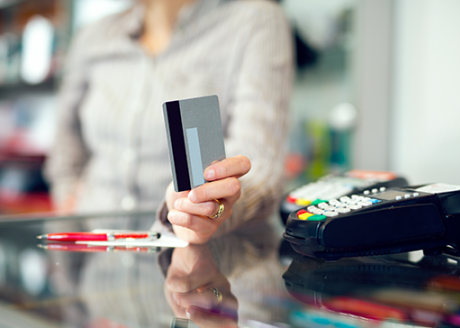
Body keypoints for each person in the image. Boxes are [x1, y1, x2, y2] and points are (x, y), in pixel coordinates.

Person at [45, 0, 294, 244]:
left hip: (190, 255)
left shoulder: (255, 21)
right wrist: (66, 196)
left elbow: (260, 161)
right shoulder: (92, 36)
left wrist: (214, 208)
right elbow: (66, 135)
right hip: (93, 246)